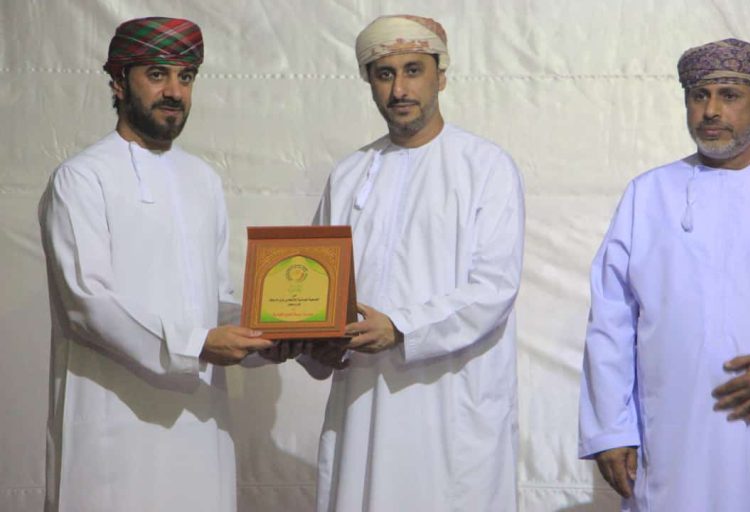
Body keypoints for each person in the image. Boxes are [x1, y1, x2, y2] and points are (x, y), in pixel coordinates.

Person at [39, 17, 274, 512]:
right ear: (118, 82)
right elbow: (87, 304)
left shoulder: (203, 180)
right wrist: (199, 344)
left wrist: (271, 332)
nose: (174, 91)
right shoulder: (82, 178)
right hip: (114, 424)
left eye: (186, 77)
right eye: (157, 74)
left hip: (200, 421)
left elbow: (214, 299)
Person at [303, 14, 525, 512]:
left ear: (440, 76)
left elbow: (493, 288)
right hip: (362, 400)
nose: (399, 89)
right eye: (385, 74)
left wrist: (401, 328)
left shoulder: (485, 167)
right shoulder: (349, 173)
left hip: (449, 403)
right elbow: (320, 282)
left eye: (413, 71)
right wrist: (313, 341)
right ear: (370, 83)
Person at [579, 38, 750, 511]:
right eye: (699, 96)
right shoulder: (649, 194)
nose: (711, 111)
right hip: (670, 431)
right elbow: (611, 319)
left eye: (729, 95)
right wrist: (611, 430)